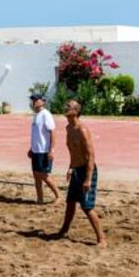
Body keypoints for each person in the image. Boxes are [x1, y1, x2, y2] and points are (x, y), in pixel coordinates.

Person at [55, 100, 107, 247]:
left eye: (69, 106)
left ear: (76, 111)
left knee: (87, 206)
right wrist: (70, 168)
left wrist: (88, 179)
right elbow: (73, 151)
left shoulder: (82, 130)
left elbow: (91, 156)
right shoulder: (68, 128)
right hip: (76, 169)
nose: (65, 107)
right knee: (70, 202)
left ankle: (101, 239)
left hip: (86, 170)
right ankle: (64, 230)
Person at [28, 94, 59, 204]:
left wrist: (51, 149)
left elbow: (53, 132)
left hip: (44, 150)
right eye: (33, 100)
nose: (33, 102)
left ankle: (58, 196)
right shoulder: (36, 115)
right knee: (36, 176)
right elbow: (36, 134)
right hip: (36, 150)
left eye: (36, 99)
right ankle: (40, 199)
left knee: (44, 176)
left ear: (43, 101)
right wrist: (31, 148)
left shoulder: (46, 114)